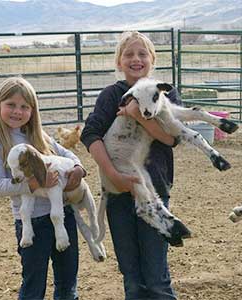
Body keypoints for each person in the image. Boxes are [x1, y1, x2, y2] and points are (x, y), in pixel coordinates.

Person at [80, 31, 179, 300]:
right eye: (129, 54)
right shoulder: (112, 95)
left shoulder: (163, 93)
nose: (136, 59)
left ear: (152, 59)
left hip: (153, 193)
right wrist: (114, 175)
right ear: (119, 62)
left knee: (156, 277)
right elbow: (90, 134)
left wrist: (138, 115)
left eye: (142, 54)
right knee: (133, 279)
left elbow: (171, 137)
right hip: (118, 194)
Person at [0, 77, 86, 300]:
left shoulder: (37, 134)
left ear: (32, 110)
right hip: (32, 222)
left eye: (24, 107)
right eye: (11, 105)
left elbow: (65, 152)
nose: (17, 111)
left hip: (61, 213)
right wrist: (35, 183)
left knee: (68, 282)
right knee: (34, 283)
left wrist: (78, 168)